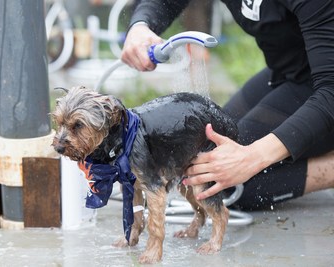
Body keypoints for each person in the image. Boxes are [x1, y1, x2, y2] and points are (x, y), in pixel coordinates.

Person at [121, 0, 334, 210]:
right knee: (205, 152)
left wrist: (253, 156)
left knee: (224, 185)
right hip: (291, 72)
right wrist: (141, 25)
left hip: (326, 89)